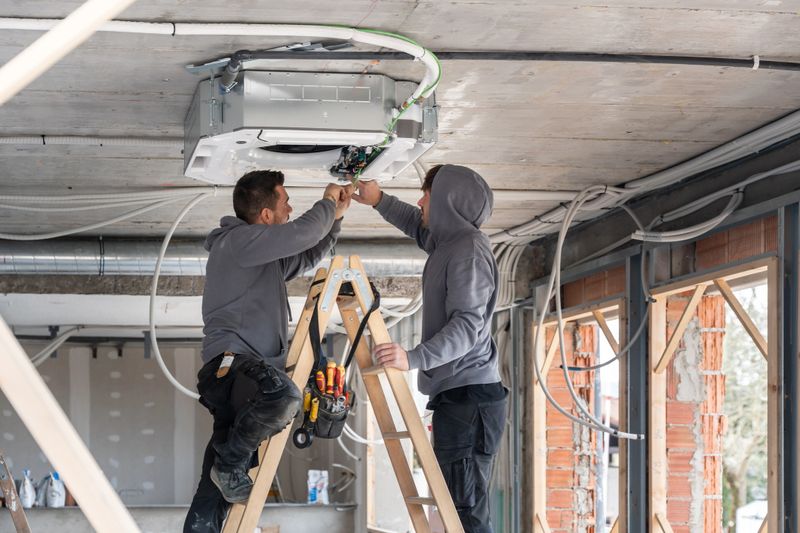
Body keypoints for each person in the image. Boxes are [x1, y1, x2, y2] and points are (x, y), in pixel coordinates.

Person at [184, 170, 352, 533]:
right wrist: (325, 201)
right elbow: (302, 232)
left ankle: (221, 479)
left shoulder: (257, 254)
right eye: (285, 202)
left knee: (214, 492)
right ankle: (228, 466)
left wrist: (334, 220)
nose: (290, 209)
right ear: (265, 216)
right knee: (283, 398)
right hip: (232, 367)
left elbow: (305, 254)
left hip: (238, 375)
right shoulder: (239, 242)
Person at [353, 165, 507, 533]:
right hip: (459, 396)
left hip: (469, 398)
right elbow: (418, 226)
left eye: (427, 195)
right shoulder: (449, 242)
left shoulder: (467, 251)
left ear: (447, 202)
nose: (421, 201)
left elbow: (468, 325)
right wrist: (378, 201)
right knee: (457, 508)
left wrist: (414, 358)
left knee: (464, 513)